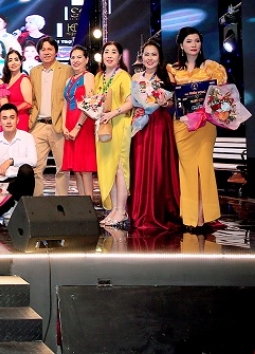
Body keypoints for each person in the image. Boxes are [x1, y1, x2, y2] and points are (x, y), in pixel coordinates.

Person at [166, 27, 228, 231]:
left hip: (205, 124)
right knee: (188, 169)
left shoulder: (212, 67)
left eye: (197, 41)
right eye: (189, 41)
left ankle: (204, 215)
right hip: (183, 125)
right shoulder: (172, 70)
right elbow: (170, 98)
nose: (194, 45)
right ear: (181, 45)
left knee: (205, 167)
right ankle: (191, 217)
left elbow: (221, 95)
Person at [130, 40, 181, 231]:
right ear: (142, 57)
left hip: (159, 123)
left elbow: (172, 103)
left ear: (159, 58)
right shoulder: (136, 77)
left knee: (158, 165)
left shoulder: (166, 76)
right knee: (140, 165)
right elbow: (134, 101)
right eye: (146, 54)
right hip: (141, 125)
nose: (149, 58)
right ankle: (141, 210)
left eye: (153, 54)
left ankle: (158, 210)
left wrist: (163, 102)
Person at [95, 41, 133, 227]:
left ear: (119, 57)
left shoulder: (123, 76)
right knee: (107, 168)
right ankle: (114, 210)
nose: (109, 55)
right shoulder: (99, 77)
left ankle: (121, 210)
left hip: (119, 125)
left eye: (113, 52)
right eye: (106, 52)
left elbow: (130, 102)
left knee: (119, 168)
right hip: (102, 128)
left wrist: (113, 113)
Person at [28, 36, 72, 196]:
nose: (46, 52)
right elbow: (32, 98)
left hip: (59, 124)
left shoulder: (66, 70)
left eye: (50, 49)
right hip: (38, 125)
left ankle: (62, 202)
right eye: (43, 49)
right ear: (38, 53)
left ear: (56, 51)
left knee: (62, 168)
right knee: (35, 167)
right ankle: (37, 204)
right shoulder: (34, 71)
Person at [0, 103, 38, 222]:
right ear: (0, 122)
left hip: (22, 182)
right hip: (3, 186)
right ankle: (8, 205)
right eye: (4, 118)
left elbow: (33, 161)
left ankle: (14, 206)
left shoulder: (27, 137)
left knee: (26, 170)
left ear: (17, 120)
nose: (8, 121)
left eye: (12, 117)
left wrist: (11, 161)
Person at [61, 46, 97, 198]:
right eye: (73, 57)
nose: (75, 60)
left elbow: (89, 103)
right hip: (69, 123)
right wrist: (63, 125)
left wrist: (78, 127)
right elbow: (65, 104)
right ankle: (82, 203)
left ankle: (89, 203)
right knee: (76, 168)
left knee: (85, 169)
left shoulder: (88, 77)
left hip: (83, 123)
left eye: (79, 57)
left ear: (86, 59)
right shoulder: (69, 80)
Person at [3, 49, 32, 132]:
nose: (13, 63)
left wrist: (11, 111)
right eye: (10, 60)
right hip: (7, 121)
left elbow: (28, 103)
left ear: (20, 62)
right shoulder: (4, 81)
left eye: (16, 59)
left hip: (20, 119)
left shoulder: (24, 79)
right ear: (7, 64)